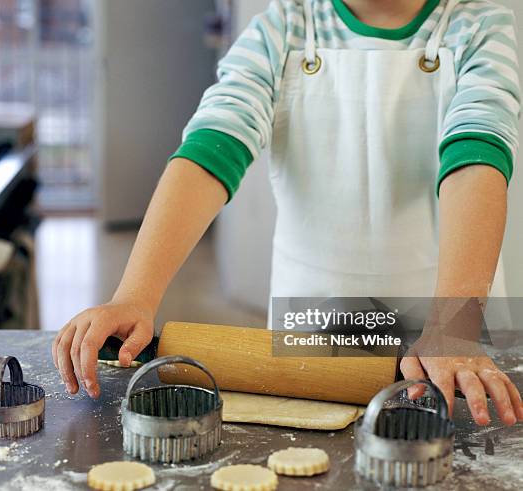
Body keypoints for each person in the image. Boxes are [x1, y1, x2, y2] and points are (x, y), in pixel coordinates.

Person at [53, 0, 523, 426]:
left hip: (451, 328)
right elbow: (212, 148)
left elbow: (476, 158)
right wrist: (136, 294)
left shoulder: (479, 25)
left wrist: (454, 329)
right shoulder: (283, 28)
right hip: (316, 327)